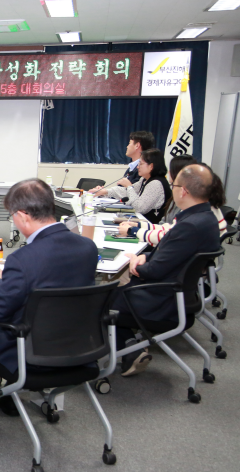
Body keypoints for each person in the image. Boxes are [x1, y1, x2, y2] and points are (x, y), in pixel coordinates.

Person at [0, 178, 98, 420]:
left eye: (12, 215)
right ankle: (4, 394)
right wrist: (10, 277)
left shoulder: (23, 259)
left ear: (23, 216)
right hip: (79, 348)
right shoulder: (88, 248)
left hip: (32, 356)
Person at [113, 164, 221, 377]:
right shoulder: (205, 218)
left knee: (99, 300)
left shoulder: (189, 224)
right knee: (111, 294)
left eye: (174, 185)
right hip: (180, 295)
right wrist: (146, 255)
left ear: (184, 191)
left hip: (160, 300)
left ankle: (118, 350)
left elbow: (153, 271)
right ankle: (129, 350)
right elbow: (173, 254)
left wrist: (137, 262)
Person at [118, 157, 227, 244]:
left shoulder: (193, 214)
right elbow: (169, 228)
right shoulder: (205, 209)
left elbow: (168, 236)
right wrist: (138, 226)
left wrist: (133, 231)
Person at [91, 149, 172, 224]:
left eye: (141, 163)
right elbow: (128, 192)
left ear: (151, 166)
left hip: (151, 227)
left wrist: (129, 186)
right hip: (141, 222)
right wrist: (106, 191)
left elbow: (139, 208)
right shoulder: (145, 179)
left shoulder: (156, 184)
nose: (137, 166)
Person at [90, 131, 155, 192]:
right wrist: (105, 192)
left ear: (137, 145)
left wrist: (106, 192)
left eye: (129, 143)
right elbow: (121, 189)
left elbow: (132, 192)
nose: (127, 146)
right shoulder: (132, 167)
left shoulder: (143, 170)